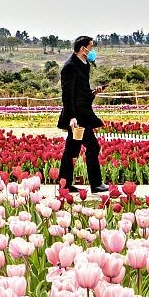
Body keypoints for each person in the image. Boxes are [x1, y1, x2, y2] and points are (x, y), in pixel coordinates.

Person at [57, 36, 108, 195]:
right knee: (92, 147)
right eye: (90, 47)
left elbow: (81, 92)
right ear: (82, 48)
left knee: (71, 150)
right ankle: (96, 183)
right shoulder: (70, 67)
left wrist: (93, 93)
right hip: (77, 117)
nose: (92, 51)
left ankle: (65, 184)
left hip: (84, 113)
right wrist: (71, 117)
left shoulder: (84, 65)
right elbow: (68, 94)